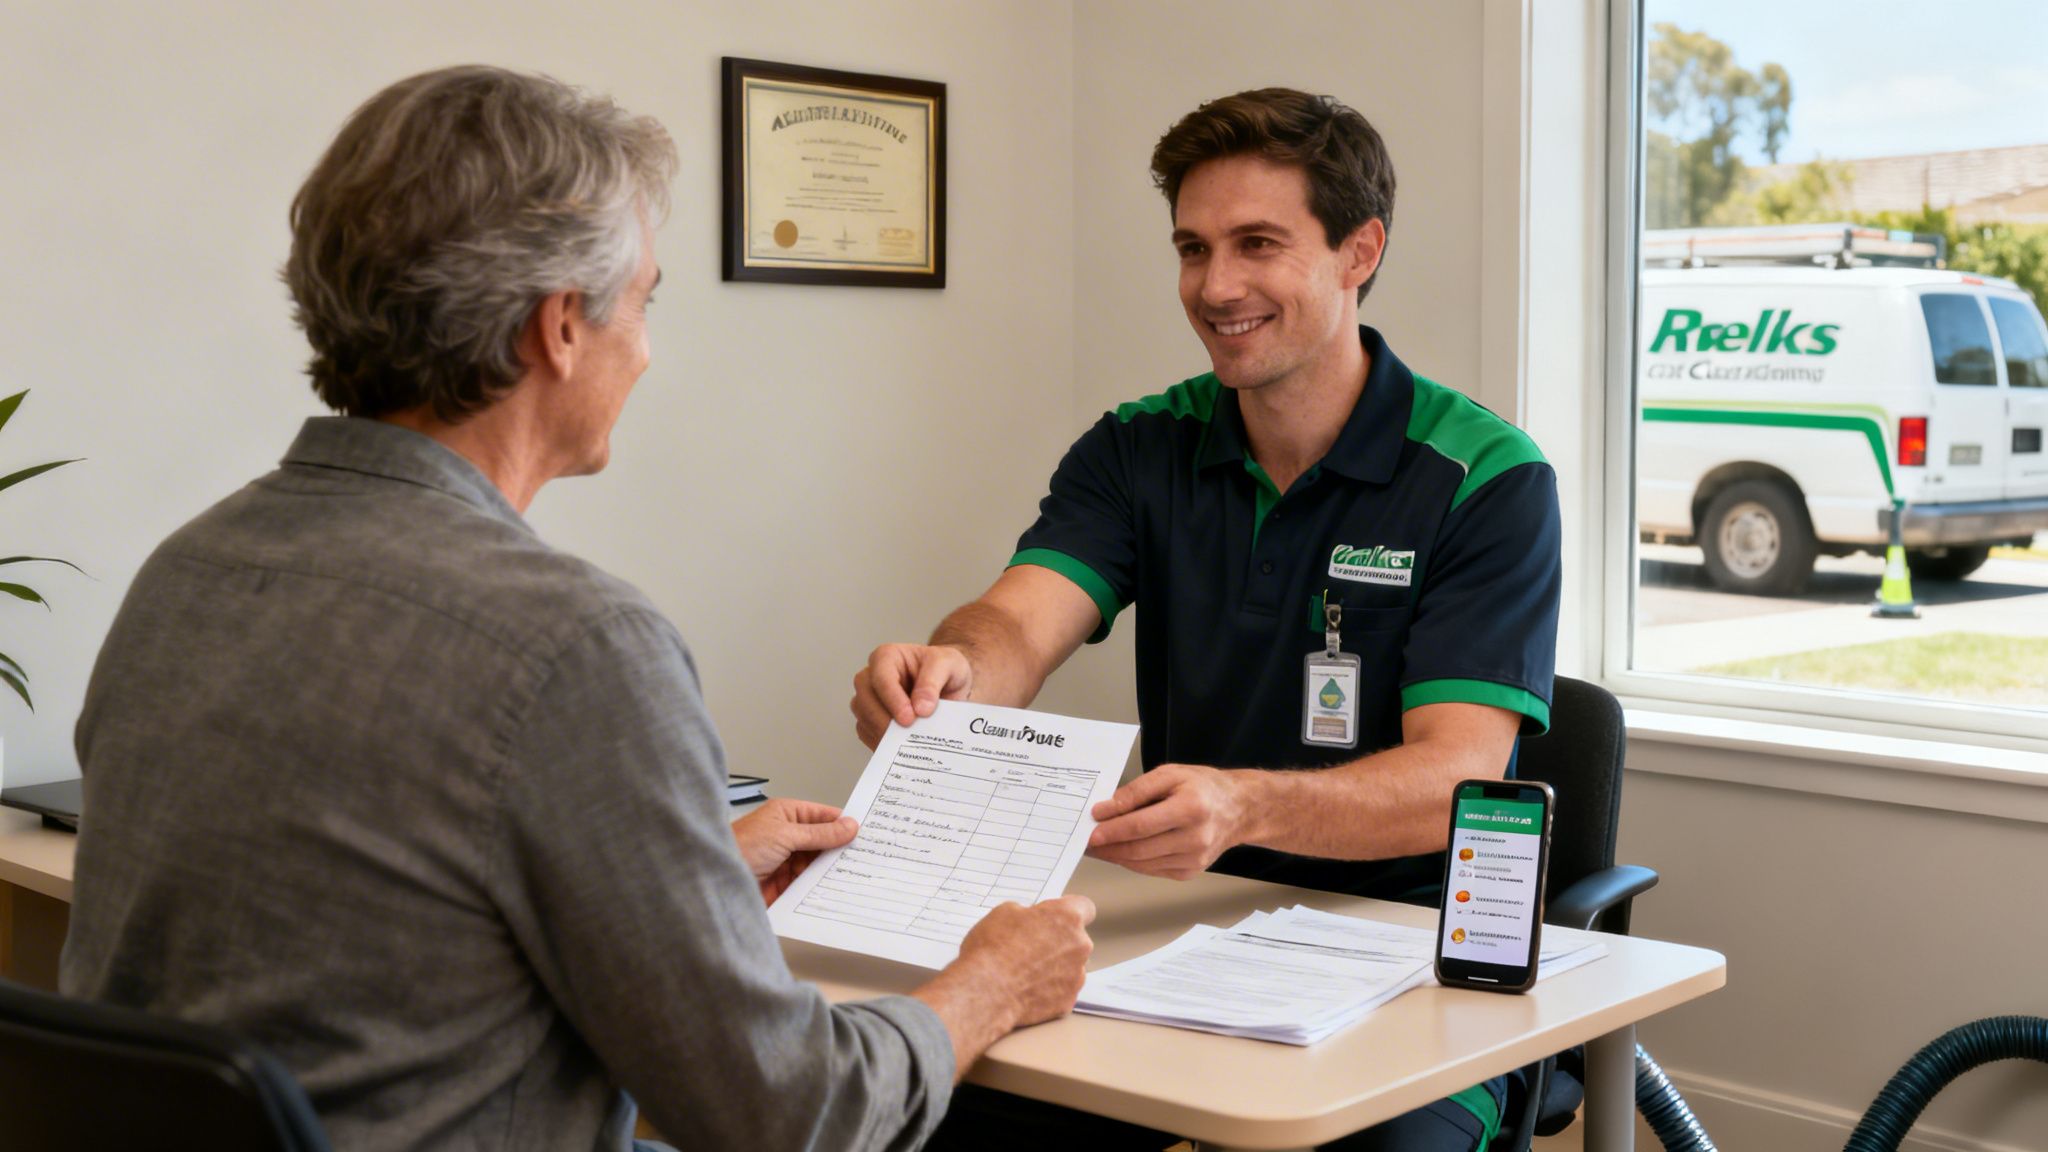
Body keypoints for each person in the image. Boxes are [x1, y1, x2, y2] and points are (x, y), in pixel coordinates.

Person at [60, 65, 1094, 1152]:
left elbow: (358, 911)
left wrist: (673, 874)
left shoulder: (188, 572)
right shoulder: (576, 648)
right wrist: (991, 984)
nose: (644, 348)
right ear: (559, 328)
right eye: (642, 302)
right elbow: (789, 1111)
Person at [851, 88, 1561, 1151]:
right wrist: (953, 670)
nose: (1214, 287)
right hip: (1175, 940)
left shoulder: (1484, 478)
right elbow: (1019, 621)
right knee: (931, 1112)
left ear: (1357, 250)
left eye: (1256, 245)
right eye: (1191, 248)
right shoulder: (1138, 447)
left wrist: (1240, 807)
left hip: (1407, 964)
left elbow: (1449, 786)